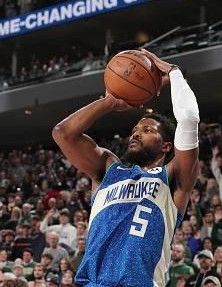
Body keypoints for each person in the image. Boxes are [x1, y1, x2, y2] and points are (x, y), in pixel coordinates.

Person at [52, 49, 200, 287]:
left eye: (148, 130)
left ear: (166, 146)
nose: (137, 133)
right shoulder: (108, 168)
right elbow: (63, 134)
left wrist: (174, 73)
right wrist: (109, 101)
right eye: (135, 130)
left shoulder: (172, 177)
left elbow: (190, 118)